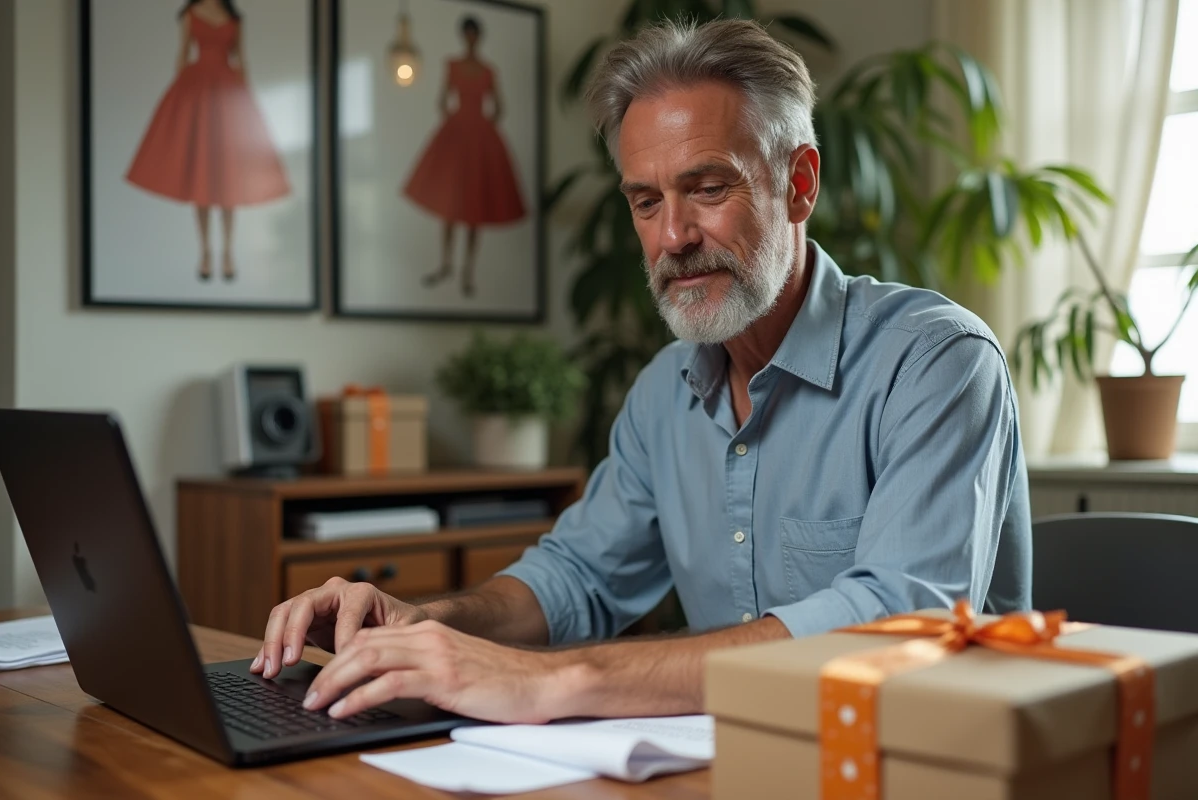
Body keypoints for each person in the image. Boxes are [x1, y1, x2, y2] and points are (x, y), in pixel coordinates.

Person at [252, 19, 1031, 725]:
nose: (674, 236)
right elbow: (576, 578)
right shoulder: (665, 390)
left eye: (708, 187)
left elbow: (898, 623)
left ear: (799, 184)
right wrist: (422, 621)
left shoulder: (936, 362)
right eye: (645, 202)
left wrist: (557, 681)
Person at [125, 0, 290, 282]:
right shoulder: (191, 14)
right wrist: (179, 102)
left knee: (229, 177)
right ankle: (205, 251)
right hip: (198, 92)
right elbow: (182, 54)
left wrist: (246, 101)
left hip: (227, 94)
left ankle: (226, 251)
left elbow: (241, 58)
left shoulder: (235, 18)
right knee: (200, 174)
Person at [403, 16, 527, 298]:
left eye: (474, 33)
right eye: (467, 33)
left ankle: (467, 270)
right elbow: (441, 99)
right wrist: (455, 122)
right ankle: (446, 263)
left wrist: (483, 128)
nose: (470, 38)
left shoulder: (488, 71)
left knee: (474, 209)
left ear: (478, 36)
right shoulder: (453, 66)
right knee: (450, 205)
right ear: (463, 36)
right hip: (459, 136)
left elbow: (499, 105)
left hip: (477, 138)